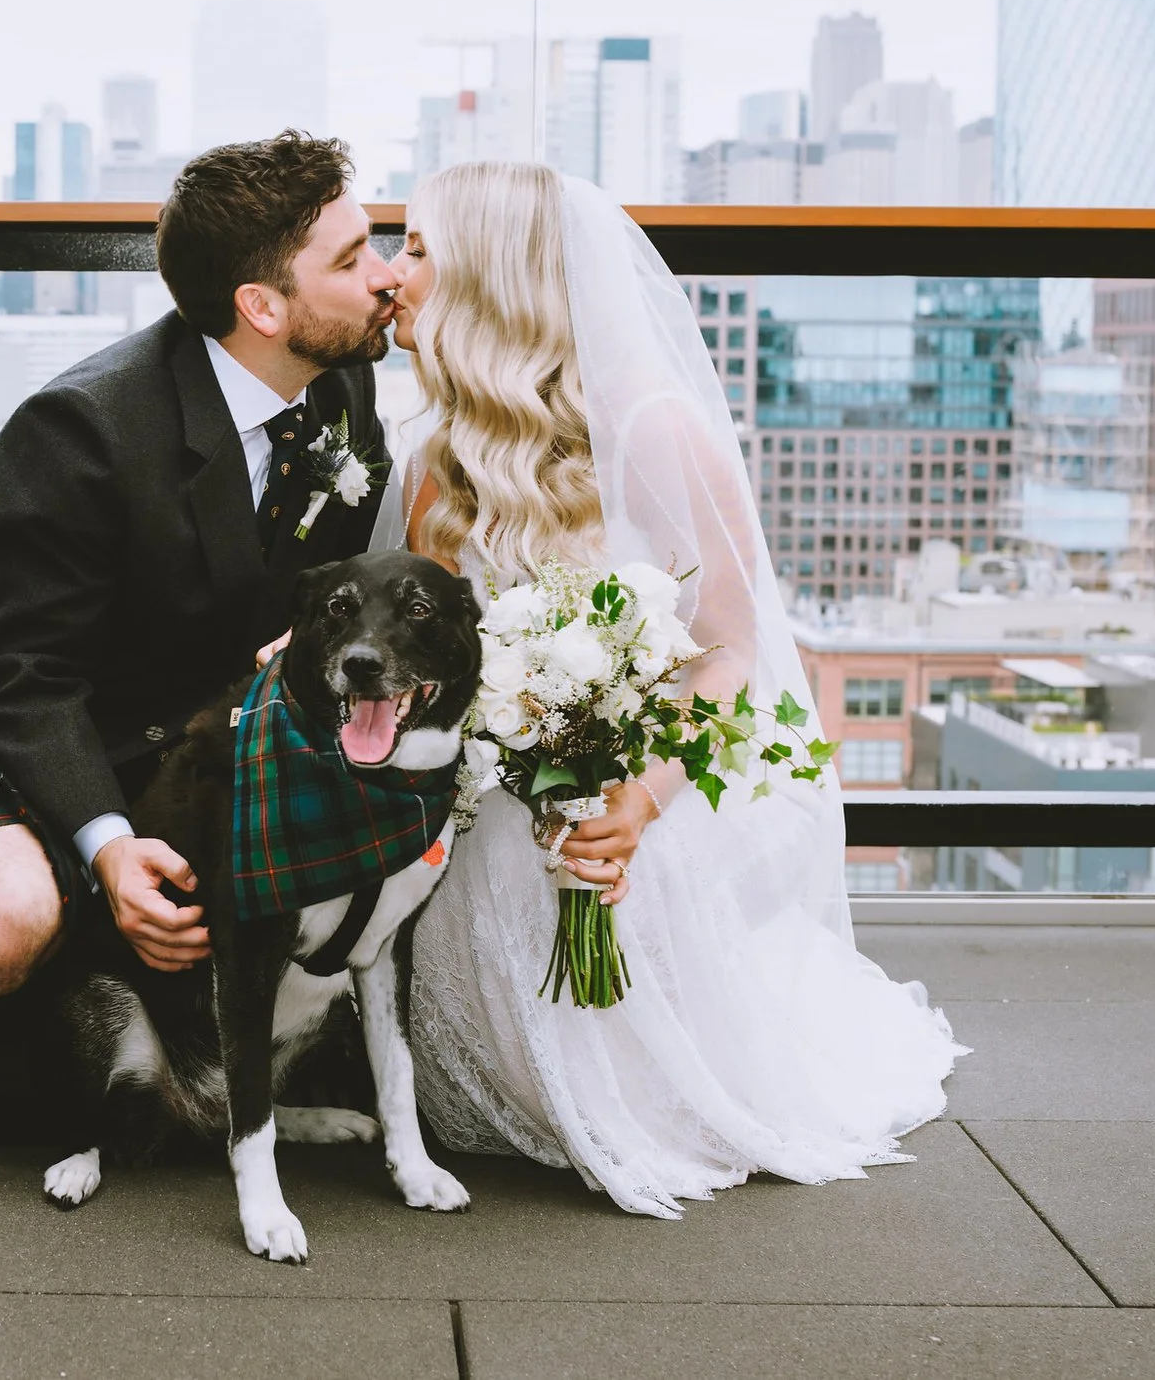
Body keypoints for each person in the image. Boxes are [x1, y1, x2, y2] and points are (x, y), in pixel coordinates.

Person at [0, 131, 401, 1132]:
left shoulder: (338, 379)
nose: (389, 276)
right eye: (353, 261)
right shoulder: (80, 427)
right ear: (260, 306)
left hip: (169, 724)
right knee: (2, 923)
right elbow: (23, 680)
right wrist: (107, 848)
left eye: (378, 243)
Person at [378, 160, 966, 1216]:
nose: (392, 274)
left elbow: (729, 648)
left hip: (644, 801)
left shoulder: (652, 426)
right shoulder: (431, 462)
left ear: (490, 277)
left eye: (416, 248)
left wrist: (633, 802)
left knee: (667, 1101)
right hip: (495, 820)